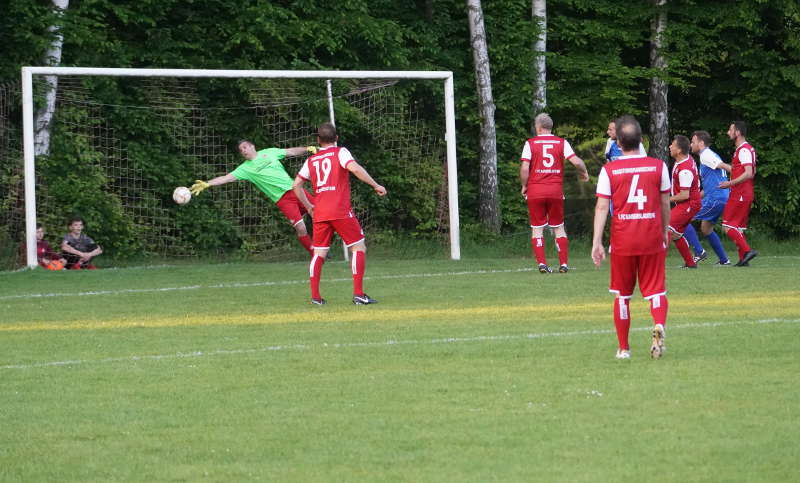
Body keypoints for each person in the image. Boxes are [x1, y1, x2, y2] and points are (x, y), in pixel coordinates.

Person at [592, 116, 671, 360]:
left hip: (623, 239)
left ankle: (624, 348)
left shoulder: (609, 170)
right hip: (651, 237)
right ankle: (658, 324)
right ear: (641, 139)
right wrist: (664, 230)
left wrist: (597, 242)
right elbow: (665, 203)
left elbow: (602, 207)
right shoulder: (659, 166)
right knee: (656, 290)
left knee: (623, 295)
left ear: (619, 142)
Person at [292, 122, 387, 305]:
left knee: (318, 253)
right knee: (358, 247)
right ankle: (358, 294)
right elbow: (355, 169)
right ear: (336, 138)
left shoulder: (311, 160)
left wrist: (309, 206)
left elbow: (296, 185)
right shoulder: (340, 152)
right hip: (340, 210)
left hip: (320, 212)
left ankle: (315, 297)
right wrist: (376, 185)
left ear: (318, 140)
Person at [190, 140, 318, 254]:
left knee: (321, 214)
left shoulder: (269, 152)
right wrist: (207, 184)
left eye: (245, 147)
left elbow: (290, 151)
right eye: (241, 150)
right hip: (283, 200)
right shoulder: (245, 169)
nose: (243, 151)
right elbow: (226, 178)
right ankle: (316, 254)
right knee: (301, 228)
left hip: (296, 190)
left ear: (252, 146)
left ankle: (325, 244)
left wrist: (306, 149)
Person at [520, 113, 589, 273]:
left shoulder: (530, 143)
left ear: (538, 127)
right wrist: (584, 172)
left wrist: (524, 185)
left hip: (536, 190)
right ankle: (563, 264)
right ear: (551, 127)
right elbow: (577, 161)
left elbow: (524, 168)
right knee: (558, 227)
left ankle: (542, 264)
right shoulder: (561, 142)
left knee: (537, 228)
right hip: (555, 190)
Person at [683, 130, 731, 265]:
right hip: (719, 197)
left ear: (701, 143)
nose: (691, 145)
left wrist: (740, 175)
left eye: (693, 142)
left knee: (683, 219)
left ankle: (699, 252)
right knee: (706, 228)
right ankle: (724, 260)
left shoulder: (706, 155)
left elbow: (724, 166)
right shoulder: (709, 156)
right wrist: (694, 197)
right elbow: (710, 186)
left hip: (716, 199)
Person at [719, 121, 758, 266]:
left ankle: (748, 251)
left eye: (730, 130)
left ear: (738, 133)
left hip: (740, 193)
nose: (728, 132)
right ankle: (743, 260)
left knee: (728, 226)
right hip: (743, 192)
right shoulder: (744, 149)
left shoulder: (743, 150)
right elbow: (750, 171)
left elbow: (749, 173)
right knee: (738, 227)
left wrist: (730, 183)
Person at [667, 135, 702, 269]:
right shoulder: (683, 160)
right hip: (688, 203)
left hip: (689, 204)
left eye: (673, 145)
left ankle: (656, 264)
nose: (670, 147)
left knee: (666, 229)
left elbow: (684, 194)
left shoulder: (685, 169)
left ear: (680, 150)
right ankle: (690, 263)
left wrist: (665, 199)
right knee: (676, 234)